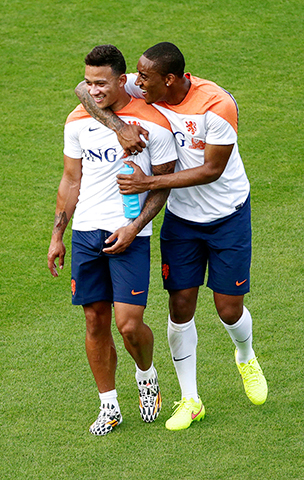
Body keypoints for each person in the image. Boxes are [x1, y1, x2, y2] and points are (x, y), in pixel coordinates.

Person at [74, 42, 268, 431]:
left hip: (226, 215)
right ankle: (190, 399)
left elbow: (212, 169)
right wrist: (119, 125)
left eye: (144, 77)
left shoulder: (216, 105)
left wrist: (148, 181)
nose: (135, 83)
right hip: (181, 219)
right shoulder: (144, 87)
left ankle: (245, 355)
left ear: (170, 79)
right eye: (136, 76)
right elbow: (83, 89)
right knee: (180, 307)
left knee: (229, 309)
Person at [48, 44, 177, 435]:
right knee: (93, 321)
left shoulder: (152, 122)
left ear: (124, 81)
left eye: (102, 82)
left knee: (129, 324)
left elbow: (163, 184)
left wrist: (134, 227)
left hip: (129, 233)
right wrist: (57, 235)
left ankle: (146, 375)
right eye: (90, 83)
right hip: (87, 231)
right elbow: (71, 180)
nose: (94, 89)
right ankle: (109, 406)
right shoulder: (76, 122)